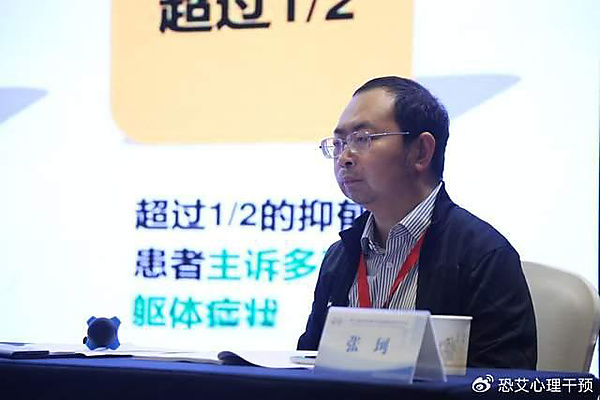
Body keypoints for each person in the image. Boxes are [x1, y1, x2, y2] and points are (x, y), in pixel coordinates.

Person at [297, 76, 537, 369]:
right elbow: (307, 365)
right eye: (339, 143)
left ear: (421, 152)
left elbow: (500, 382)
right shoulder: (340, 256)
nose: (344, 158)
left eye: (362, 139)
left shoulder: (484, 256)